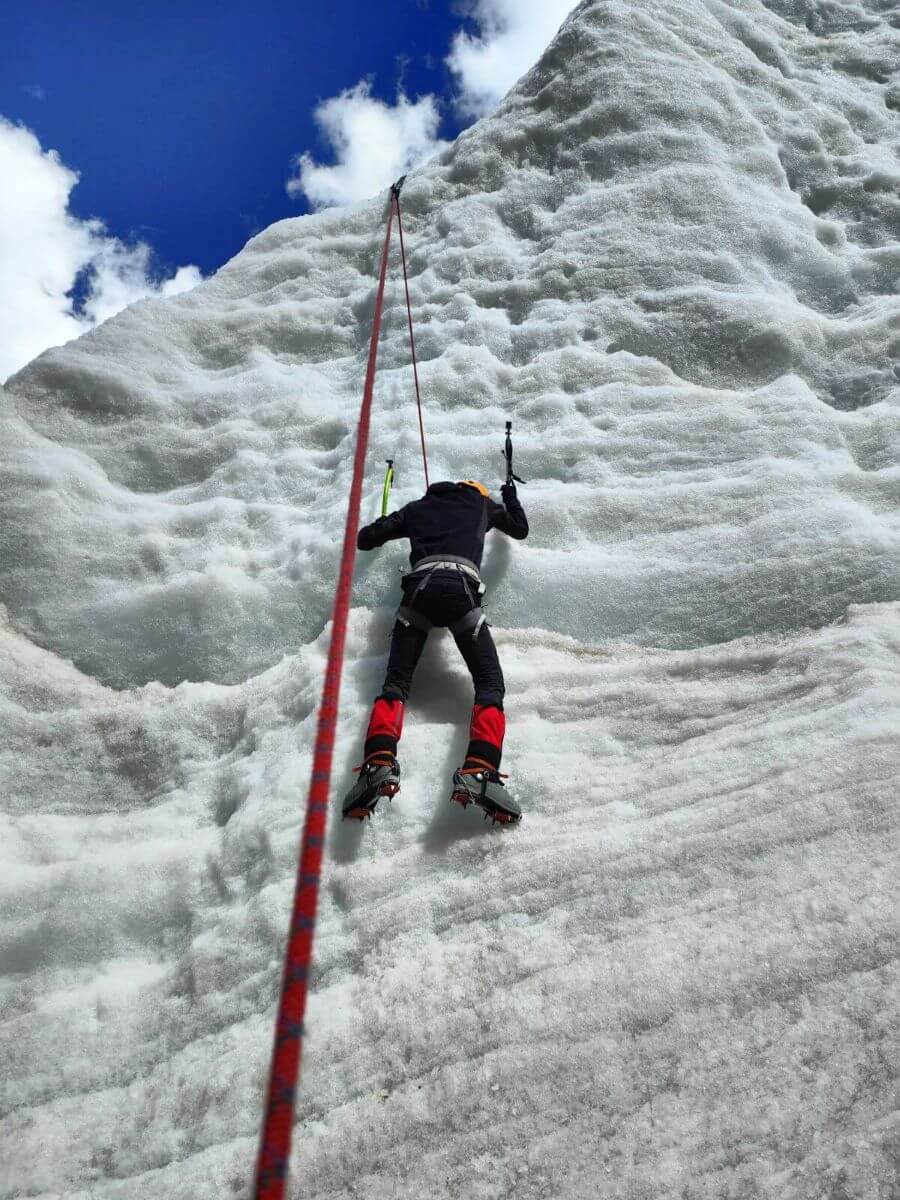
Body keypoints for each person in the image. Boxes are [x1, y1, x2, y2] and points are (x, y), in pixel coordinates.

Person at [342, 478, 529, 823]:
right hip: (461, 593)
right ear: (473, 490)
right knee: (489, 683)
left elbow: (366, 539)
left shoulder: (417, 508)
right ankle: (481, 770)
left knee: (395, 683)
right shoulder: (479, 504)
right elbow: (520, 529)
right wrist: (510, 495)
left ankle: (377, 764)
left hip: (418, 596)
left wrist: (386, 522)